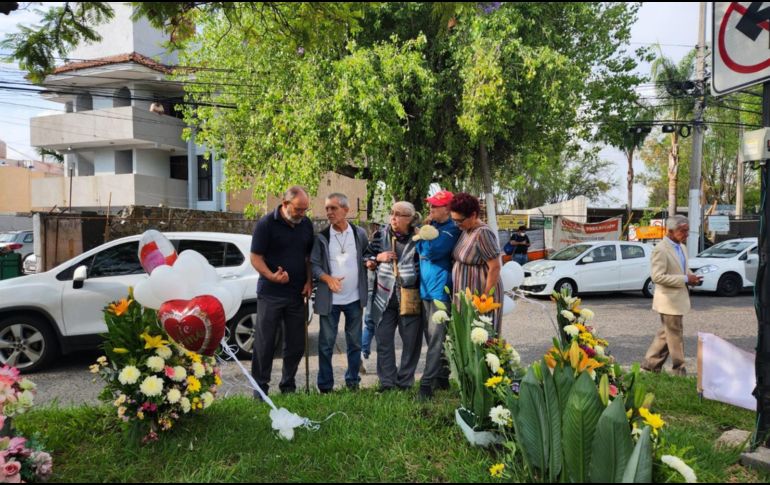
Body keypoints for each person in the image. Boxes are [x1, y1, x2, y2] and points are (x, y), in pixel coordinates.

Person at [250, 186, 314, 396]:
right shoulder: (266, 224)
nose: (302, 214)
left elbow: (307, 258)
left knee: (296, 343)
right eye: (298, 209)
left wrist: (309, 282)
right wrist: (271, 276)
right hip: (270, 293)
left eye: (305, 210)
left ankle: (288, 385)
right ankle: (260, 390)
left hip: (296, 294)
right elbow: (255, 257)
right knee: (265, 344)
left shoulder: (306, 225)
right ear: (285, 204)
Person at [311, 193, 369, 393]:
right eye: (327, 208)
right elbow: (315, 266)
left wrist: (369, 262)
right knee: (326, 344)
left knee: (354, 344)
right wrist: (328, 279)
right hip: (330, 300)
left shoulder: (359, 233)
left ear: (346, 210)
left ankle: (352, 382)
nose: (329, 212)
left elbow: (365, 256)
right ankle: (325, 386)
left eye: (333, 208)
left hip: (354, 298)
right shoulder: (322, 237)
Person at [364, 201, 423, 392]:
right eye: (392, 213)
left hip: (410, 296)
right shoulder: (380, 235)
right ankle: (387, 382)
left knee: (411, 342)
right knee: (383, 340)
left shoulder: (419, 237)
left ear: (410, 218)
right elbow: (366, 257)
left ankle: (405, 382)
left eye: (399, 214)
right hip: (384, 296)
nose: (394, 218)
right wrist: (376, 259)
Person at [642, 215, 701, 376]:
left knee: (665, 335)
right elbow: (657, 277)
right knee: (675, 337)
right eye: (683, 231)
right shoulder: (660, 249)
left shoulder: (681, 247)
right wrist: (685, 279)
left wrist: (691, 278)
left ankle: (650, 365)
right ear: (670, 231)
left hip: (679, 299)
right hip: (668, 301)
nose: (686, 234)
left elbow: (683, 270)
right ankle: (679, 370)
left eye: (688, 230)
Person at [415, 190, 460, 400]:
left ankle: (426, 386)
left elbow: (431, 252)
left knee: (435, 338)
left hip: (439, 292)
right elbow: (420, 246)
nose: (431, 209)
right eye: (430, 205)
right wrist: (422, 242)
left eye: (435, 206)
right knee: (432, 337)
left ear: (448, 209)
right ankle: (442, 377)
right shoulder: (433, 227)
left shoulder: (451, 230)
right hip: (426, 289)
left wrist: (422, 242)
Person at [449, 193, 503, 332]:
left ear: (473, 215)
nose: (457, 224)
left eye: (459, 220)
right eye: (454, 220)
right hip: (466, 293)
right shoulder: (467, 230)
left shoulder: (482, 233)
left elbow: (495, 267)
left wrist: (484, 298)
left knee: (480, 338)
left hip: (480, 294)